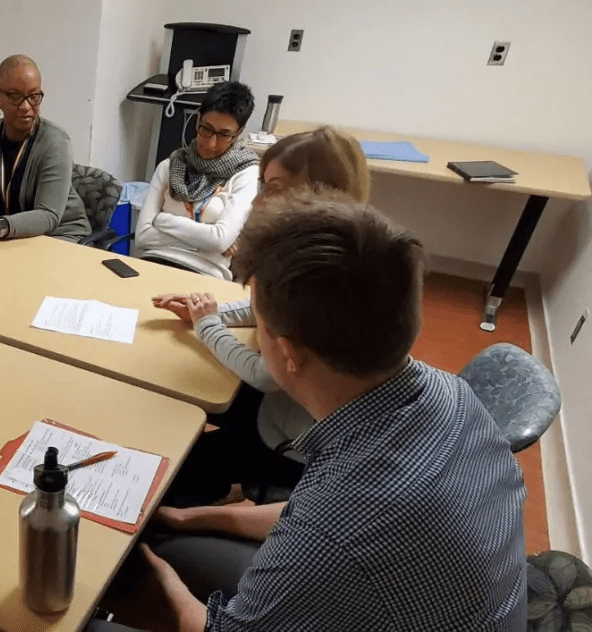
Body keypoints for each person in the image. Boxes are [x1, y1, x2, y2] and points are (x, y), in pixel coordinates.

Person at [117, 192, 528, 631]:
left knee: (132, 570)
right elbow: (311, 511)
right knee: (174, 538)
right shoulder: (453, 397)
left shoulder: (336, 527)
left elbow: (325, 530)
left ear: (288, 354)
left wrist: (159, 581)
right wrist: (190, 516)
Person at [152, 126, 371, 506]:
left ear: (320, 193)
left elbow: (265, 375)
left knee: (164, 475)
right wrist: (206, 311)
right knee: (173, 399)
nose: (257, 203)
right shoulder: (324, 245)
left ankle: (201, 508)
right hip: (288, 410)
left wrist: (206, 325)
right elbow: (261, 311)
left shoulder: (321, 275)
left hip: (294, 445)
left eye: (275, 189)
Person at [0, 54, 90, 243]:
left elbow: (48, 215)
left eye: (34, 96)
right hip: (9, 237)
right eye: (15, 96)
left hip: (59, 237)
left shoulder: (56, 142)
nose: (26, 106)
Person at [133, 81, 259, 279]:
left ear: (239, 133)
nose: (211, 143)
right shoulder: (170, 166)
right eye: (206, 129)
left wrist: (163, 220)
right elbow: (142, 237)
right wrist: (208, 242)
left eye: (224, 134)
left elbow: (220, 240)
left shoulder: (245, 173)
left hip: (205, 277)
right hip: (152, 265)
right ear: (198, 118)